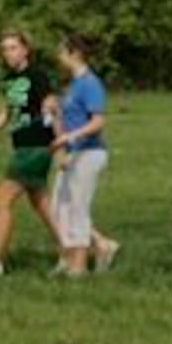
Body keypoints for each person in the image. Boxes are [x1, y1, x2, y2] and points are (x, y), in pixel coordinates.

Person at [0, 29, 61, 277]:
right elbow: (7, 113)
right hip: (23, 147)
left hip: (36, 146)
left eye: (13, 47)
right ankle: (85, 248)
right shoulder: (11, 80)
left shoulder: (36, 75)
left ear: (26, 49)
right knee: (42, 204)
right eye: (4, 49)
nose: (8, 53)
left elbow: (52, 107)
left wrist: (61, 146)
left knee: (3, 197)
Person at [47, 32, 120, 278]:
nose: (58, 56)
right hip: (71, 155)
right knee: (59, 209)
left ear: (74, 54)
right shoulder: (72, 85)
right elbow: (63, 127)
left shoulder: (90, 83)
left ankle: (78, 267)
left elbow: (98, 122)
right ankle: (94, 249)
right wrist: (56, 113)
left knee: (77, 209)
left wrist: (72, 137)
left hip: (89, 154)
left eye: (61, 51)